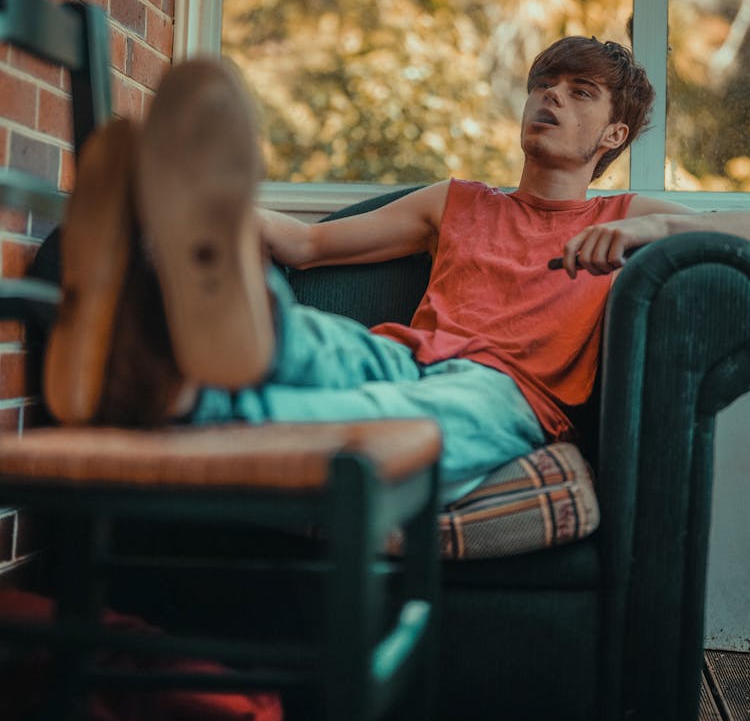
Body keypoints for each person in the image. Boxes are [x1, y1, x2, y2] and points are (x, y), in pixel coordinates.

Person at [43, 37, 750, 504]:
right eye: (545, 84)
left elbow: (740, 231)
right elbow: (306, 245)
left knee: (394, 419)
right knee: (316, 338)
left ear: (613, 135)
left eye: (580, 91)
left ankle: (166, 392)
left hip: (505, 397)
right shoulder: (455, 201)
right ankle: (164, 322)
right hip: (396, 353)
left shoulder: (624, 215)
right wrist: (189, 204)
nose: (552, 97)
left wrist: (655, 228)